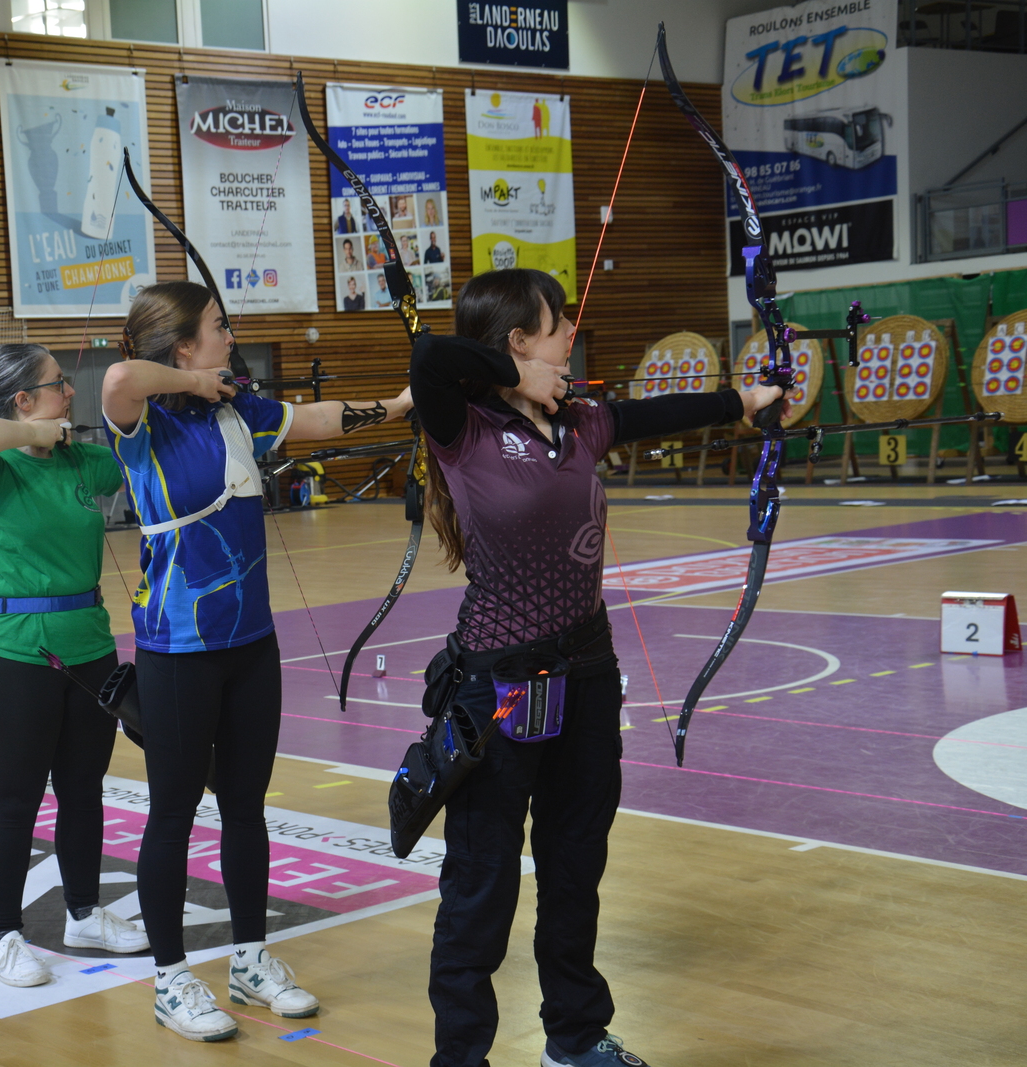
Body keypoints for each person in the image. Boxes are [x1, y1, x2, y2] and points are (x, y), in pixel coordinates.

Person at [410, 269, 786, 1067]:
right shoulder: (464, 426)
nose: (569, 340)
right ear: (518, 341)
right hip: (497, 683)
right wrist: (516, 377)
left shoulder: (580, 423)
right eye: (557, 328)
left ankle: (574, 1036)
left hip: (585, 673)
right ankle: (461, 1056)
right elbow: (431, 357)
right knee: (482, 880)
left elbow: (656, 414)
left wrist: (745, 400)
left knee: (575, 863)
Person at [102, 280, 413, 1042]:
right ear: (183, 346)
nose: (231, 337)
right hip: (179, 647)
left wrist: (403, 404)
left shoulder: (239, 411)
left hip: (251, 643)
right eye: (218, 326)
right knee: (173, 811)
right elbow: (118, 377)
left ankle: (249, 959)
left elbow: (318, 419)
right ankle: (171, 978)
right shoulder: (144, 426)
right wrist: (192, 383)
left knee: (245, 804)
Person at [0, 344, 149, 987]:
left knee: (84, 789)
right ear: (23, 400)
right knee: (16, 798)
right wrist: (37, 435)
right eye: (58, 384)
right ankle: (3, 934)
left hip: (88, 643)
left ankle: (84, 913)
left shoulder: (83, 462)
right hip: (14, 652)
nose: (69, 393)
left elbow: (139, 451)